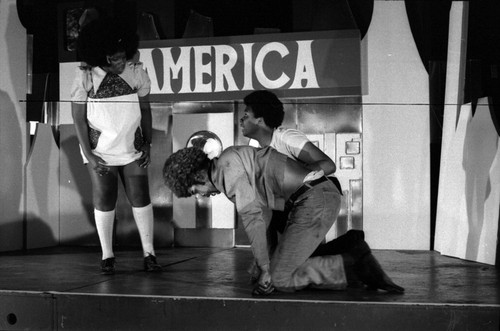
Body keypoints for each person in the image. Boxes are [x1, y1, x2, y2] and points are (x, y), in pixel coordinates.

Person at [163, 146, 404, 295]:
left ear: (196, 175)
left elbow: (255, 221)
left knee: (280, 278)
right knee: (277, 267)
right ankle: (350, 246)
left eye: (194, 191)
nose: (201, 196)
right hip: (311, 199)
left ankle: (352, 264)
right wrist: (262, 264)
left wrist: (267, 270)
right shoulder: (230, 161)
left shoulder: (229, 173)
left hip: (314, 201)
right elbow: (265, 215)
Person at [71, 17, 161, 275]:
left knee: (140, 194)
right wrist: (88, 153)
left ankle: (149, 253)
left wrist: (148, 143)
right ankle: (107, 255)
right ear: (101, 55)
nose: (120, 62)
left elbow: (145, 108)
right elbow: (78, 117)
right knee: (104, 197)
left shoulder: (136, 72)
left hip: (131, 145)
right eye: (113, 59)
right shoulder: (86, 76)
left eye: (123, 56)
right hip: (100, 149)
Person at [241, 90, 361, 259]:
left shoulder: (286, 137)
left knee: (301, 258)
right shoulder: (257, 149)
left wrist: (298, 178)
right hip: (293, 203)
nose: (241, 121)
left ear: (260, 120)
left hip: (319, 196)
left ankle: (351, 242)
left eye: (246, 115)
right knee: (299, 257)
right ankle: (349, 244)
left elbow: (328, 165)